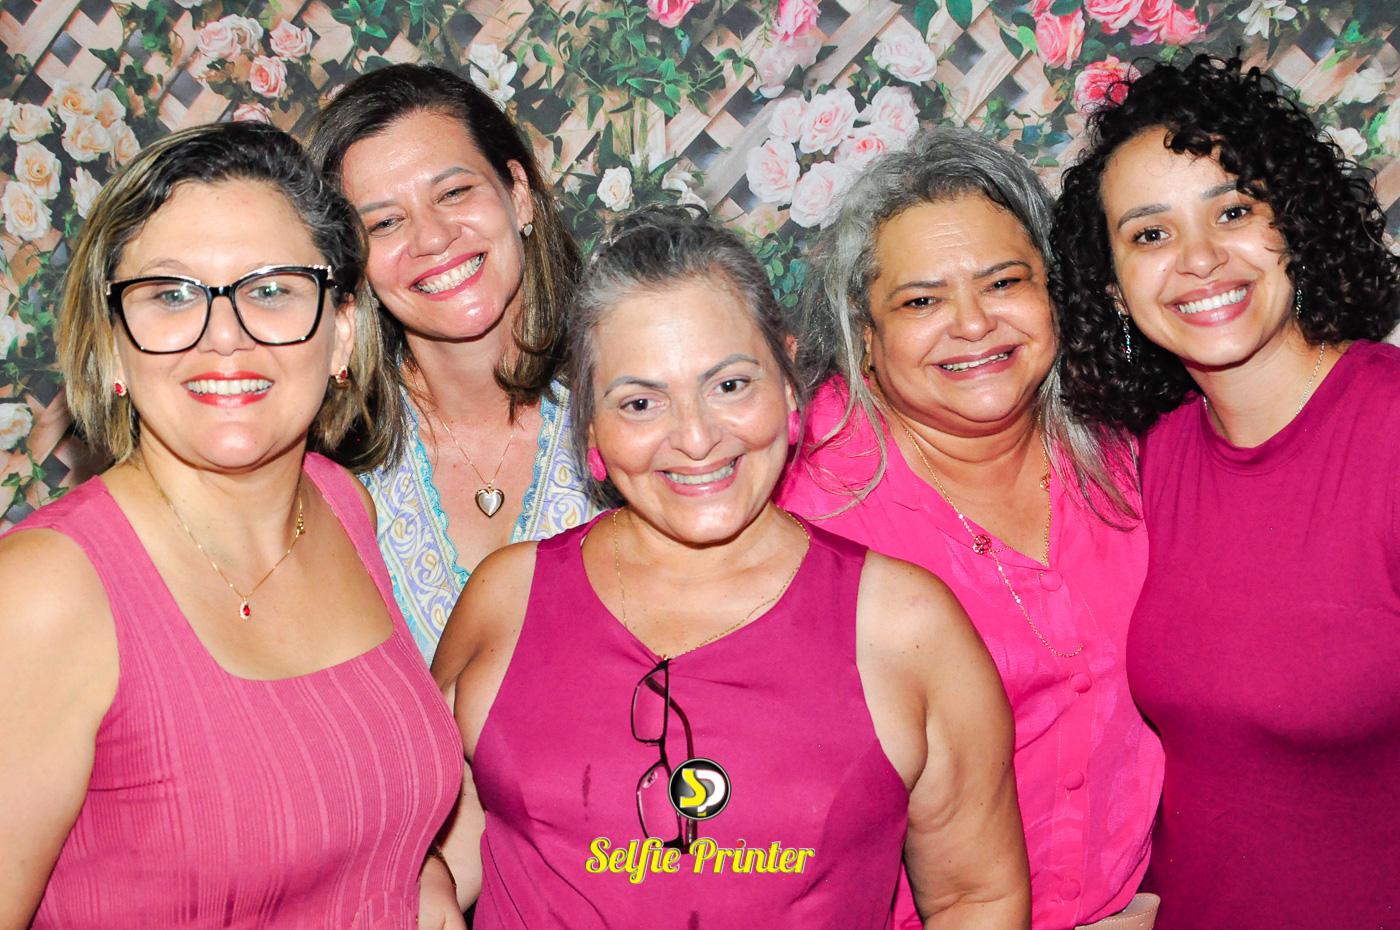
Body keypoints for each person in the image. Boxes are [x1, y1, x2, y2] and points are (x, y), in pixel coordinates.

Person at [427, 206, 1030, 928]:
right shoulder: (507, 598)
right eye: (641, 402)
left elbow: (975, 898)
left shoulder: (906, 626)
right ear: (590, 426)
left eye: (731, 385)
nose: (695, 437)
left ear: (787, 380)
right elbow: (435, 856)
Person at [0, 123, 463, 929]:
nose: (225, 336)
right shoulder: (46, 593)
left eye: (272, 289)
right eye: (172, 294)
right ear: (114, 346)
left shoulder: (340, 504)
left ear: (342, 331)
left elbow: (381, 849)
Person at [779, 127, 1164, 930]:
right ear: (866, 335)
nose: (973, 323)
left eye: (1004, 282)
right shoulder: (799, 508)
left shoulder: (1134, 452)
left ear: (1054, 294)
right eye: (921, 301)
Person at [1051, 53, 1400, 930]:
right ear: (1114, 289)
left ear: (1296, 225)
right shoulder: (1150, 462)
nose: (1201, 260)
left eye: (1233, 212)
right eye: (1151, 235)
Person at [308, 65, 598, 663]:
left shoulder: (636, 408)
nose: (433, 238)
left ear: (519, 194)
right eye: (385, 222)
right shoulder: (327, 466)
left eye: (454, 193)